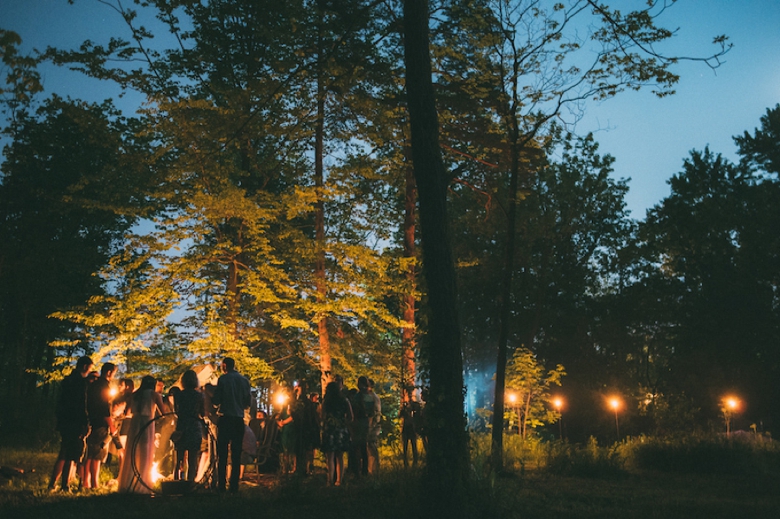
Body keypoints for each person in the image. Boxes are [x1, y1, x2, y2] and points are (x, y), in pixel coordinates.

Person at [47, 356, 93, 492]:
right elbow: (81, 404)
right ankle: (65, 485)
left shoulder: (67, 380)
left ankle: (52, 483)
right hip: (75, 422)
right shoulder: (80, 382)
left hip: (65, 421)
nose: (89, 371)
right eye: (89, 368)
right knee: (72, 454)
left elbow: (60, 403)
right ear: (84, 366)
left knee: (63, 452)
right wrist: (85, 422)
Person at [117, 375, 163, 493]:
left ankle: (127, 483)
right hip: (147, 422)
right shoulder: (154, 394)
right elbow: (164, 412)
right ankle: (142, 484)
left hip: (134, 423)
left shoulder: (135, 394)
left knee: (132, 451)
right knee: (145, 452)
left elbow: (127, 412)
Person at [213, 357, 251, 494]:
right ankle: (234, 485)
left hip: (225, 418)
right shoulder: (244, 381)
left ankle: (221, 484)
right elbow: (248, 402)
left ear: (224, 365)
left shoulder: (223, 379)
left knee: (222, 453)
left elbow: (217, 400)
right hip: (238, 420)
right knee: (236, 453)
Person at [84, 362, 117, 489]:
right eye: (113, 373)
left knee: (90, 453)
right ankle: (94, 483)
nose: (113, 375)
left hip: (91, 421)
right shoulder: (104, 386)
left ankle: (86, 482)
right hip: (101, 424)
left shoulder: (93, 385)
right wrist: (111, 425)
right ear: (109, 372)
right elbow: (104, 408)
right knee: (97, 455)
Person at [173, 369, 205, 482]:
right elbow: (202, 413)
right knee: (193, 458)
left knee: (179, 458)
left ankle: (176, 482)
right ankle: (190, 483)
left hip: (181, 425)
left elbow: (176, 412)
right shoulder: (200, 396)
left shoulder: (178, 395)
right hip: (194, 426)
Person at [320, 381, 353, 486]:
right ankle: (339, 480)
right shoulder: (344, 400)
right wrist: (344, 423)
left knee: (329, 455)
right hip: (341, 430)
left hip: (329, 429)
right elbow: (351, 416)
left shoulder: (326, 401)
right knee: (340, 455)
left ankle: (329, 480)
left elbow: (322, 416)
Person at [400, 387, 421, 467]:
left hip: (412, 426)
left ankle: (415, 461)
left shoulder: (415, 405)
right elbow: (400, 415)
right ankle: (405, 462)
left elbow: (417, 415)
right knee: (405, 446)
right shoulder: (405, 405)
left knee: (413, 445)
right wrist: (403, 409)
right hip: (406, 426)